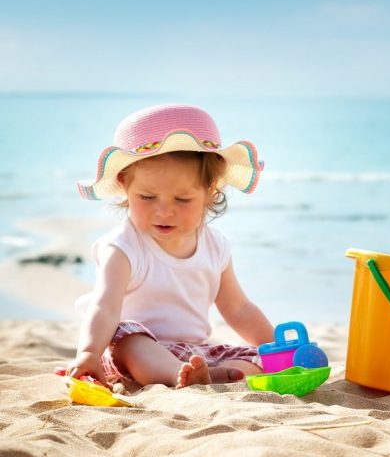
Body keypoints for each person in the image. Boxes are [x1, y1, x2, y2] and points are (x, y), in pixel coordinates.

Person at [68, 103, 274, 389]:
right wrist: (88, 352)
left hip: (194, 351)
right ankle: (176, 375)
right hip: (134, 349)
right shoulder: (123, 247)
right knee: (129, 337)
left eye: (182, 200)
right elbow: (104, 307)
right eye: (148, 197)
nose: (164, 211)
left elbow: (237, 308)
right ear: (124, 184)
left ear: (210, 190)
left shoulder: (215, 246)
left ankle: (209, 374)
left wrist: (274, 345)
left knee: (254, 359)